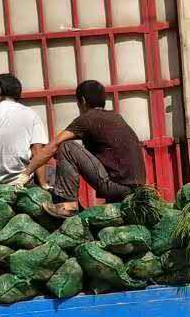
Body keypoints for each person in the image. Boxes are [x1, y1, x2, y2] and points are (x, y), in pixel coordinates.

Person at [23, 80, 145, 219]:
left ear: (82, 101)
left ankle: (67, 206)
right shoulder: (116, 117)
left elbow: (53, 145)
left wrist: (26, 174)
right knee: (68, 150)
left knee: (66, 147)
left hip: (116, 187)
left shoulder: (87, 119)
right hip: (134, 188)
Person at [0, 73, 49, 188]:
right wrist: (43, 184)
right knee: (52, 171)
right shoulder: (31, 115)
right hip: (24, 183)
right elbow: (37, 151)